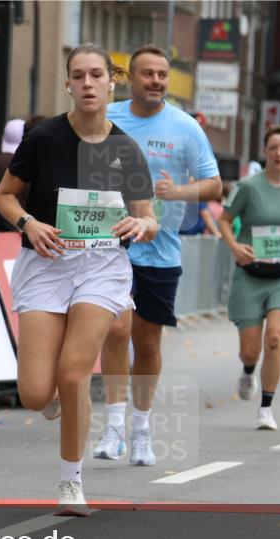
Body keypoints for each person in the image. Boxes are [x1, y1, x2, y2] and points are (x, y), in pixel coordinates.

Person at [0, 43, 157, 513]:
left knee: (74, 373)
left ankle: (71, 481)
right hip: (46, 263)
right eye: (78, 76)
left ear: (112, 83)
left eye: (96, 76)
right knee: (33, 394)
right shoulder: (44, 139)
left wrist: (141, 225)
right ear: (67, 84)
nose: (87, 84)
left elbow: (149, 218)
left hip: (102, 267)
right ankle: (56, 401)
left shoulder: (125, 149)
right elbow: (5, 196)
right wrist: (29, 223)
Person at [95, 44, 221, 464]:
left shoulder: (186, 127)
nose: (156, 82)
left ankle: (142, 428)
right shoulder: (108, 118)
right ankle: (113, 425)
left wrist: (179, 191)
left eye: (162, 75)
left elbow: (214, 186)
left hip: (160, 248)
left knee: (147, 344)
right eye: (148, 74)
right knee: (115, 330)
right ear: (131, 78)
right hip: (110, 243)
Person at [218, 124, 280, 429]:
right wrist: (235, 247)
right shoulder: (248, 186)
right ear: (265, 151)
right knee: (251, 349)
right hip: (250, 273)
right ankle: (248, 370)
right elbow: (224, 220)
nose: (278, 153)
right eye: (273, 147)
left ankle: (266, 408)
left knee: (274, 338)